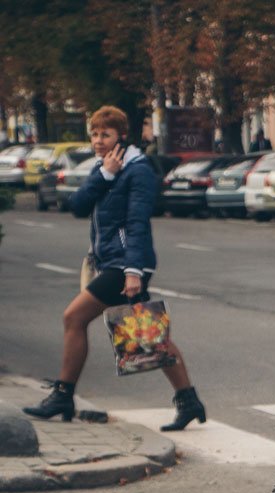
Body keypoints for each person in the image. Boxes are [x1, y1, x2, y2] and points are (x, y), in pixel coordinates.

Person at [23, 105, 205, 431]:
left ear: (121, 135)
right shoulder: (105, 168)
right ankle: (188, 400)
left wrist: (133, 270)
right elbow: (77, 206)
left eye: (105, 134)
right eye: (94, 134)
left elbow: (136, 222)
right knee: (150, 335)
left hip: (126, 265)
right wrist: (104, 175)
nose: (98, 140)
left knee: (73, 317)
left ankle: (63, 394)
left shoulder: (138, 170)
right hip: (111, 262)